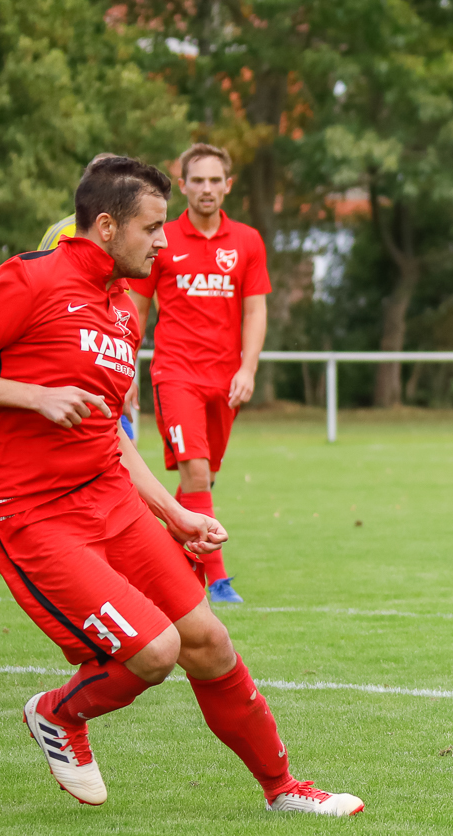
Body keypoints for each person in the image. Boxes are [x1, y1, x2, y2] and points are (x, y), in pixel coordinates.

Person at [0, 156, 362, 816]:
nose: (162, 242)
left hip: (110, 500)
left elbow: (110, 435)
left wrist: (174, 513)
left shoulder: (123, 311)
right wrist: (34, 395)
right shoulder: (29, 279)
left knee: (208, 641)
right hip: (28, 513)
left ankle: (283, 790)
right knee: (155, 651)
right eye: (152, 228)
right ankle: (57, 714)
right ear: (105, 226)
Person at [125, 143, 270, 603]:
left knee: (202, 480)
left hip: (227, 381)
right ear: (183, 186)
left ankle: (166, 558)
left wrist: (248, 368)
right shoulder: (161, 238)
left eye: (215, 180)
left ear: (228, 185)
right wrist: (126, 369)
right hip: (176, 374)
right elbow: (137, 308)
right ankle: (216, 579)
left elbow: (255, 310)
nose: (207, 188)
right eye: (198, 180)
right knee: (198, 473)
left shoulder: (248, 241)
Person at [40, 153, 137, 442]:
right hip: (74, 365)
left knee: (124, 444)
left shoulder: (131, 234)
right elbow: (43, 286)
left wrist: (127, 372)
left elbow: (124, 309)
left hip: (109, 360)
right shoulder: (62, 232)